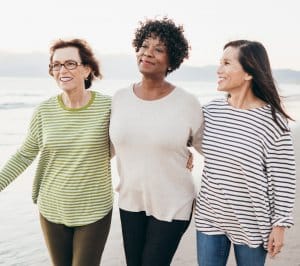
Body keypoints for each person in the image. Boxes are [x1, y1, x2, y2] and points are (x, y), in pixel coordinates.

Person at [0, 39, 113, 265]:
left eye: (70, 63)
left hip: (93, 211)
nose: (62, 70)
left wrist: (181, 151)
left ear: (87, 69)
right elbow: (24, 154)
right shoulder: (44, 111)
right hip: (51, 210)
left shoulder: (109, 107)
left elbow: (137, 137)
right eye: (56, 65)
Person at [109, 17, 204, 266]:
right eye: (144, 46)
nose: (148, 53)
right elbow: (108, 147)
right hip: (131, 201)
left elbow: (208, 147)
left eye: (159, 49)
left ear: (172, 60)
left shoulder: (187, 103)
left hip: (173, 202)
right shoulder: (119, 99)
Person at [194, 40, 296, 266]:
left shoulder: (273, 122)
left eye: (227, 63)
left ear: (249, 73)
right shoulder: (211, 111)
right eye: (220, 62)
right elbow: (186, 137)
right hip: (210, 216)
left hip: (252, 221)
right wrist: (184, 153)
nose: (219, 70)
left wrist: (279, 226)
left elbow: (283, 178)